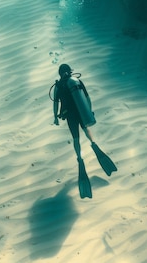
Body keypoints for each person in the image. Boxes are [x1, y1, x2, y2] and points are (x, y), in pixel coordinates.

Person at [52, 64, 117, 199]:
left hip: (69, 115)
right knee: (86, 129)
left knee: (75, 138)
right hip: (81, 112)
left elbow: (55, 104)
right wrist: (89, 111)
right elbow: (87, 98)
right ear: (69, 71)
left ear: (60, 74)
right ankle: (93, 143)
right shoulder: (76, 81)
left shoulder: (58, 86)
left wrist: (55, 117)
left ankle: (79, 158)